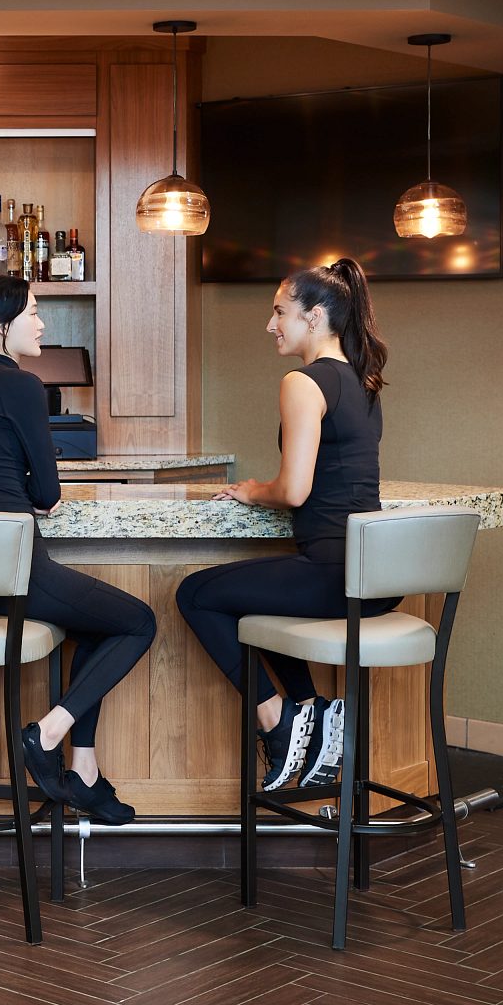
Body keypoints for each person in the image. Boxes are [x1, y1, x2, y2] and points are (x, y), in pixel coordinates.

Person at [0, 274, 156, 825]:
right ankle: (47, 733)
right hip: (13, 573)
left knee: (97, 629)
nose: (42, 323)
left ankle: (84, 773)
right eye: (33, 312)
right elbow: (48, 492)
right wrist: (38, 493)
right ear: (1, 327)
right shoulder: (20, 384)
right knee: (138, 623)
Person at [175, 258, 392, 791]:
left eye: (279, 312)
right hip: (378, 577)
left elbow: (294, 489)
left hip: (334, 573)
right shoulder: (363, 383)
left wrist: (252, 491)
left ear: (314, 316)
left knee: (196, 596)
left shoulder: (304, 381)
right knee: (255, 595)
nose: (271, 325)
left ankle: (278, 721)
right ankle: (311, 714)